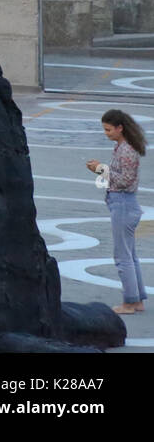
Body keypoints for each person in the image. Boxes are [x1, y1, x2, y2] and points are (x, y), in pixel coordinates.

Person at [87, 109, 147, 314]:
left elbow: (125, 181)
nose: (107, 133)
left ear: (120, 128)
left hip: (123, 203)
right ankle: (137, 300)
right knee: (130, 255)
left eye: (109, 129)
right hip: (123, 203)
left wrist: (100, 170)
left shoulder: (126, 150)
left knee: (122, 256)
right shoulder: (122, 147)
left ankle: (130, 302)